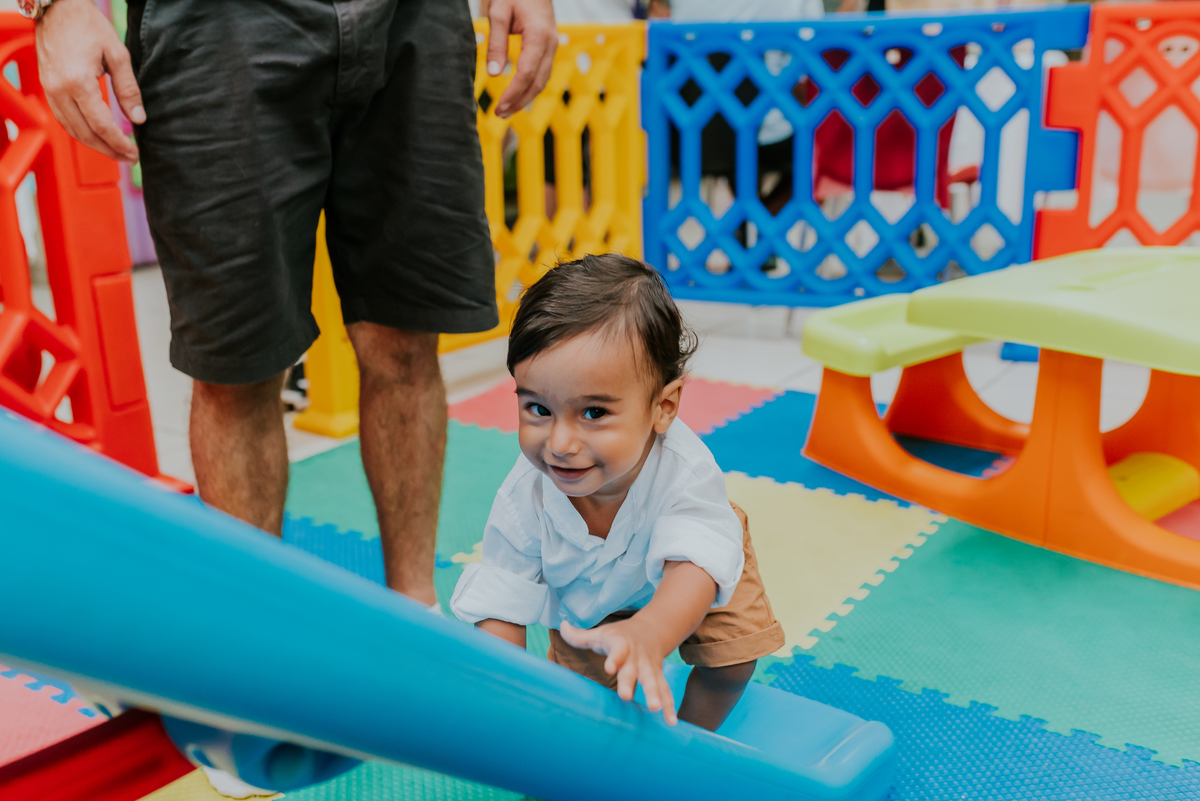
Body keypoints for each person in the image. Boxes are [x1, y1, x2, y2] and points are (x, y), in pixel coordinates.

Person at [29, 0, 556, 612]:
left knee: (408, 337)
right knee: (236, 365)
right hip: (216, 23)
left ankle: (417, 614)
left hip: (413, 17)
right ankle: (254, 642)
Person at [450, 254, 784, 731]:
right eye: (538, 408)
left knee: (730, 662)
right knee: (583, 697)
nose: (560, 444)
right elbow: (504, 597)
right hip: (588, 601)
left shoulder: (684, 473)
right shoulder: (523, 499)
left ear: (663, 407)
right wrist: (509, 690)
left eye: (593, 414)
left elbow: (696, 566)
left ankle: (686, 743)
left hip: (692, 574)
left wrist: (651, 631)